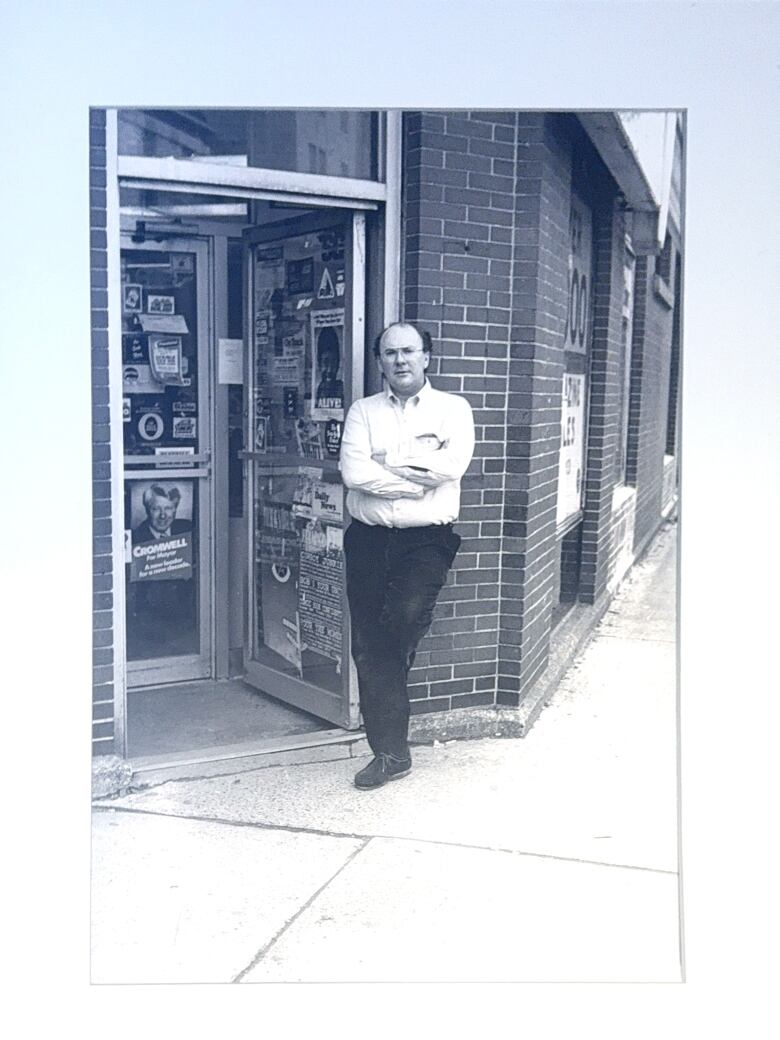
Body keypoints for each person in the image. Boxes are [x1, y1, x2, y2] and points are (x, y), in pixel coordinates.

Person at [340, 321, 475, 789]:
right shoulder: (363, 411)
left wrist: (386, 467)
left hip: (426, 541)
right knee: (369, 643)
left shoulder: (453, 410)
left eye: (409, 352)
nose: (400, 360)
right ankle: (391, 754)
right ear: (379, 361)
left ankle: (387, 705)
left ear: (426, 358)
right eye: (390, 353)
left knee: (401, 622)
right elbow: (353, 472)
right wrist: (412, 480)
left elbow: (451, 467)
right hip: (368, 539)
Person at [314, 327, 344, 412]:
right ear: (319, 363)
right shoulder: (319, 389)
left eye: (334, 363)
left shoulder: (342, 390)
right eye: (326, 363)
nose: (330, 370)